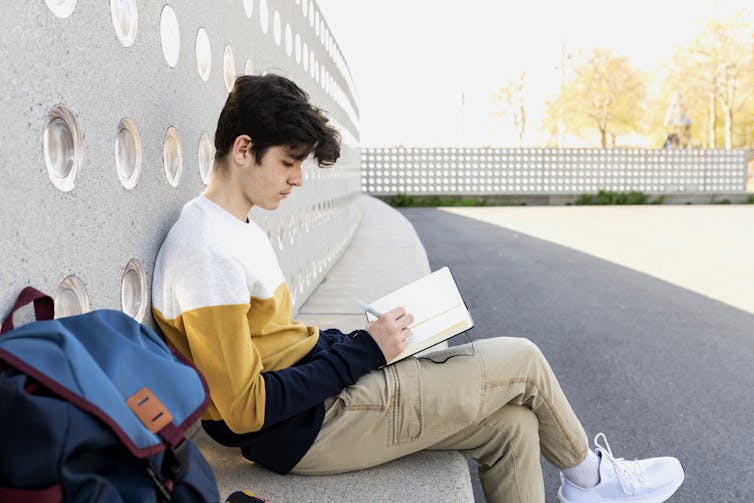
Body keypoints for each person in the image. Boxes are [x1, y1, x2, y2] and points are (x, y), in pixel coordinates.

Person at [151, 74, 685, 503]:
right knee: (522, 359)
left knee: (514, 427)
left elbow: (279, 342)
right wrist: (364, 351)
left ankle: (588, 483)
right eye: (288, 163)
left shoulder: (234, 228)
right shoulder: (206, 253)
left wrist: (359, 342)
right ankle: (592, 481)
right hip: (306, 428)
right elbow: (243, 410)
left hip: (324, 398)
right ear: (243, 149)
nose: (297, 180)